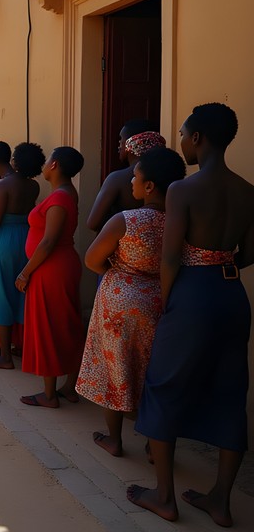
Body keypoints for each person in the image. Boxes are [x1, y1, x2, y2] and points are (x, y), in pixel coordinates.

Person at [130, 103, 254, 527]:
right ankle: (221, 499)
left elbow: (169, 258)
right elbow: (251, 252)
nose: (181, 140)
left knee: (164, 384)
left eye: (183, 133)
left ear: (198, 138)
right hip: (232, 293)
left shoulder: (183, 190)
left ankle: (164, 495)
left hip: (192, 294)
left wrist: (168, 304)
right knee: (230, 391)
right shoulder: (247, 190)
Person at [77, 142, 183, 455]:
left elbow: (92, 259)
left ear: (149, 186)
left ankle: (115, 439)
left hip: (120, 299)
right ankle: (154, 444)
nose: (131, 182)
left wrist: (120, 271)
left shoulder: (126, 219)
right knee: (152, 369)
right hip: (159, 300)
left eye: (135, 177)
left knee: (116, 367)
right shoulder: (179, 222)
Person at [15, 147, 85, 408]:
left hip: (52, 268)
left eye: (46, 161)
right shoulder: (64, 194)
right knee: (63, 324)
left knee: (51, 326)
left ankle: (50, 394)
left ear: (54, 165)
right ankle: (67, 387)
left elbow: (48, 242)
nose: (43, 166)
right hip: (53, 267)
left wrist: (25, 272)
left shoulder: (60, 198)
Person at [0, 142, 43, 369]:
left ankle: (4, 355)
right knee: (21, 293)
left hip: (3, 241)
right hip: (26, 238)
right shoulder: (33, 186)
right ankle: (21, 347)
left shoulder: (4, 185)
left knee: (0, 294)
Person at [86, 119, 160, 231]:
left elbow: (93, 223)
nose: (119, 145)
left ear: (132, 143)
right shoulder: (164, 174)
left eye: (121, 139)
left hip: (121, 244)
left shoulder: (116, 179)